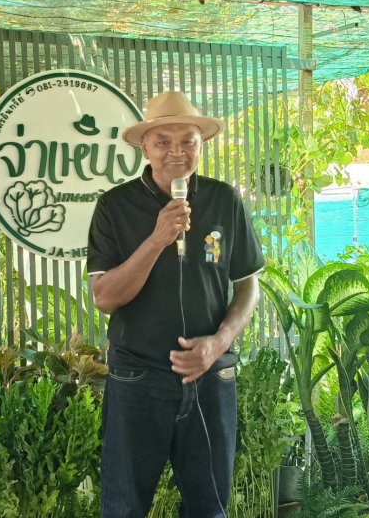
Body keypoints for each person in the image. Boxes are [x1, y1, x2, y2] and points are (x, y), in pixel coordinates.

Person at [87, 91, 265, 518]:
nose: (177, 152)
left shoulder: (225, 199)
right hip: (138, 379)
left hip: (210, 379)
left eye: (188, 141)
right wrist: (158, 239)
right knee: (124, 509)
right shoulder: (114, 206)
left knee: (210, 508)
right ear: (144, 147)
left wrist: (218, 344)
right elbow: (105, 297)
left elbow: (248, 286)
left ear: (201, 145)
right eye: (163, 141)